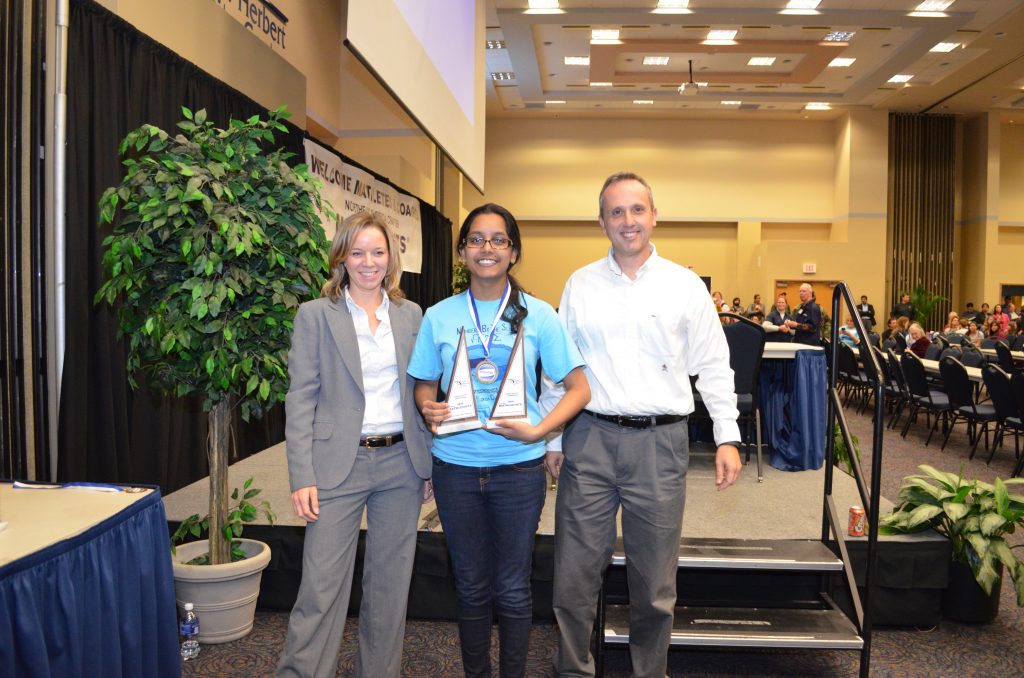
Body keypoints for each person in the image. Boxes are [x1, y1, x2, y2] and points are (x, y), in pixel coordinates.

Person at [544, 172, 742, 678]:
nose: (627, 221)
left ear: (654, 216)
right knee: (574, 579)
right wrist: (552, 435)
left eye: (637, 210)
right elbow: (561, 366)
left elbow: (714, 365)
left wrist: (727, 435)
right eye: (616, 211)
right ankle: (574, 672)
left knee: (653, 585)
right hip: (588, 441)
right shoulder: (580, 284)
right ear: (602, 221)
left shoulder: (685, 286)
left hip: (661, 445)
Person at [409, 203, 590, 678]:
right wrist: (427, 404)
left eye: (498, 240)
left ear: (513, 252)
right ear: (462, 251)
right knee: (469, 586)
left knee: (512, 588)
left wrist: (540, 429)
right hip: (455, 467)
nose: (486, 249)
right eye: (476, 240)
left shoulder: (540, 315)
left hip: (518, 470)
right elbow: (424, 384)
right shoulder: (440, 315)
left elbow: (580, 389)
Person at [277, 212, 433, 678]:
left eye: (378, 252)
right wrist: (301, 475)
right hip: (335, 465)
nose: (368, 262)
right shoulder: (314, 315)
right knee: (321, 588)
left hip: (401, 465)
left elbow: (422, 391)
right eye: (358, 251)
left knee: (389, 588)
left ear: (391, 259)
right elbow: (300, 398)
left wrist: (428, 464)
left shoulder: (410, 316)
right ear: (342, 256)